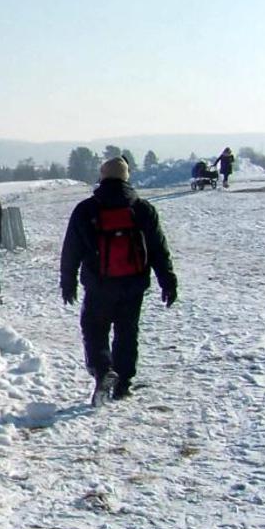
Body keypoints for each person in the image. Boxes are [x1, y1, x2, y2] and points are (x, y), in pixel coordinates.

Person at [60, 157, 177, 401]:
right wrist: (168, 281)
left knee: (94, 329)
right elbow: (158, 248)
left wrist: (68, 281)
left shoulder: (86, 209)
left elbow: (71, 249)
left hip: (99, 284)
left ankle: (103, 371)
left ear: (102, 177)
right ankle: (123, 382)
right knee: (127, 332)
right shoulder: (143, 209)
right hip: (133, 284)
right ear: (126, 177)